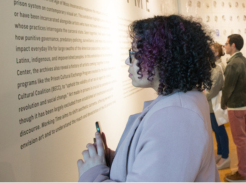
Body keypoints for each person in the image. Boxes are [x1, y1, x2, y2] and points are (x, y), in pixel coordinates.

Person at [77, 15, 221, 182]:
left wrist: (93, 175)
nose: (127, 60)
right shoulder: (180, 103)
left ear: (162, 58)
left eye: (135, 53)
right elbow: (160, 167)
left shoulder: (176, 117)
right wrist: (114, 160)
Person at [221, 34, 246, 183]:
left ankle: (243, 173)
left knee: (240, 140)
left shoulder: (233, 63)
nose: (225, 45)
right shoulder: (244, 61)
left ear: (233, 45)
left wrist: (223, 103)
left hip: (236, 106)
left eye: (227, 43)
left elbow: (227, 88)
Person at [205, 43, 230, 170]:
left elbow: (214, 88)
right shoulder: (213, 66)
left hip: (215, 104)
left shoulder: (218, 67)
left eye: (211, 50)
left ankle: (226, 156)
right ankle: (220, 153)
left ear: (217, 52)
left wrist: (202, 96)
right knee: (216, 129)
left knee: (220, 130)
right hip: (211, 104)